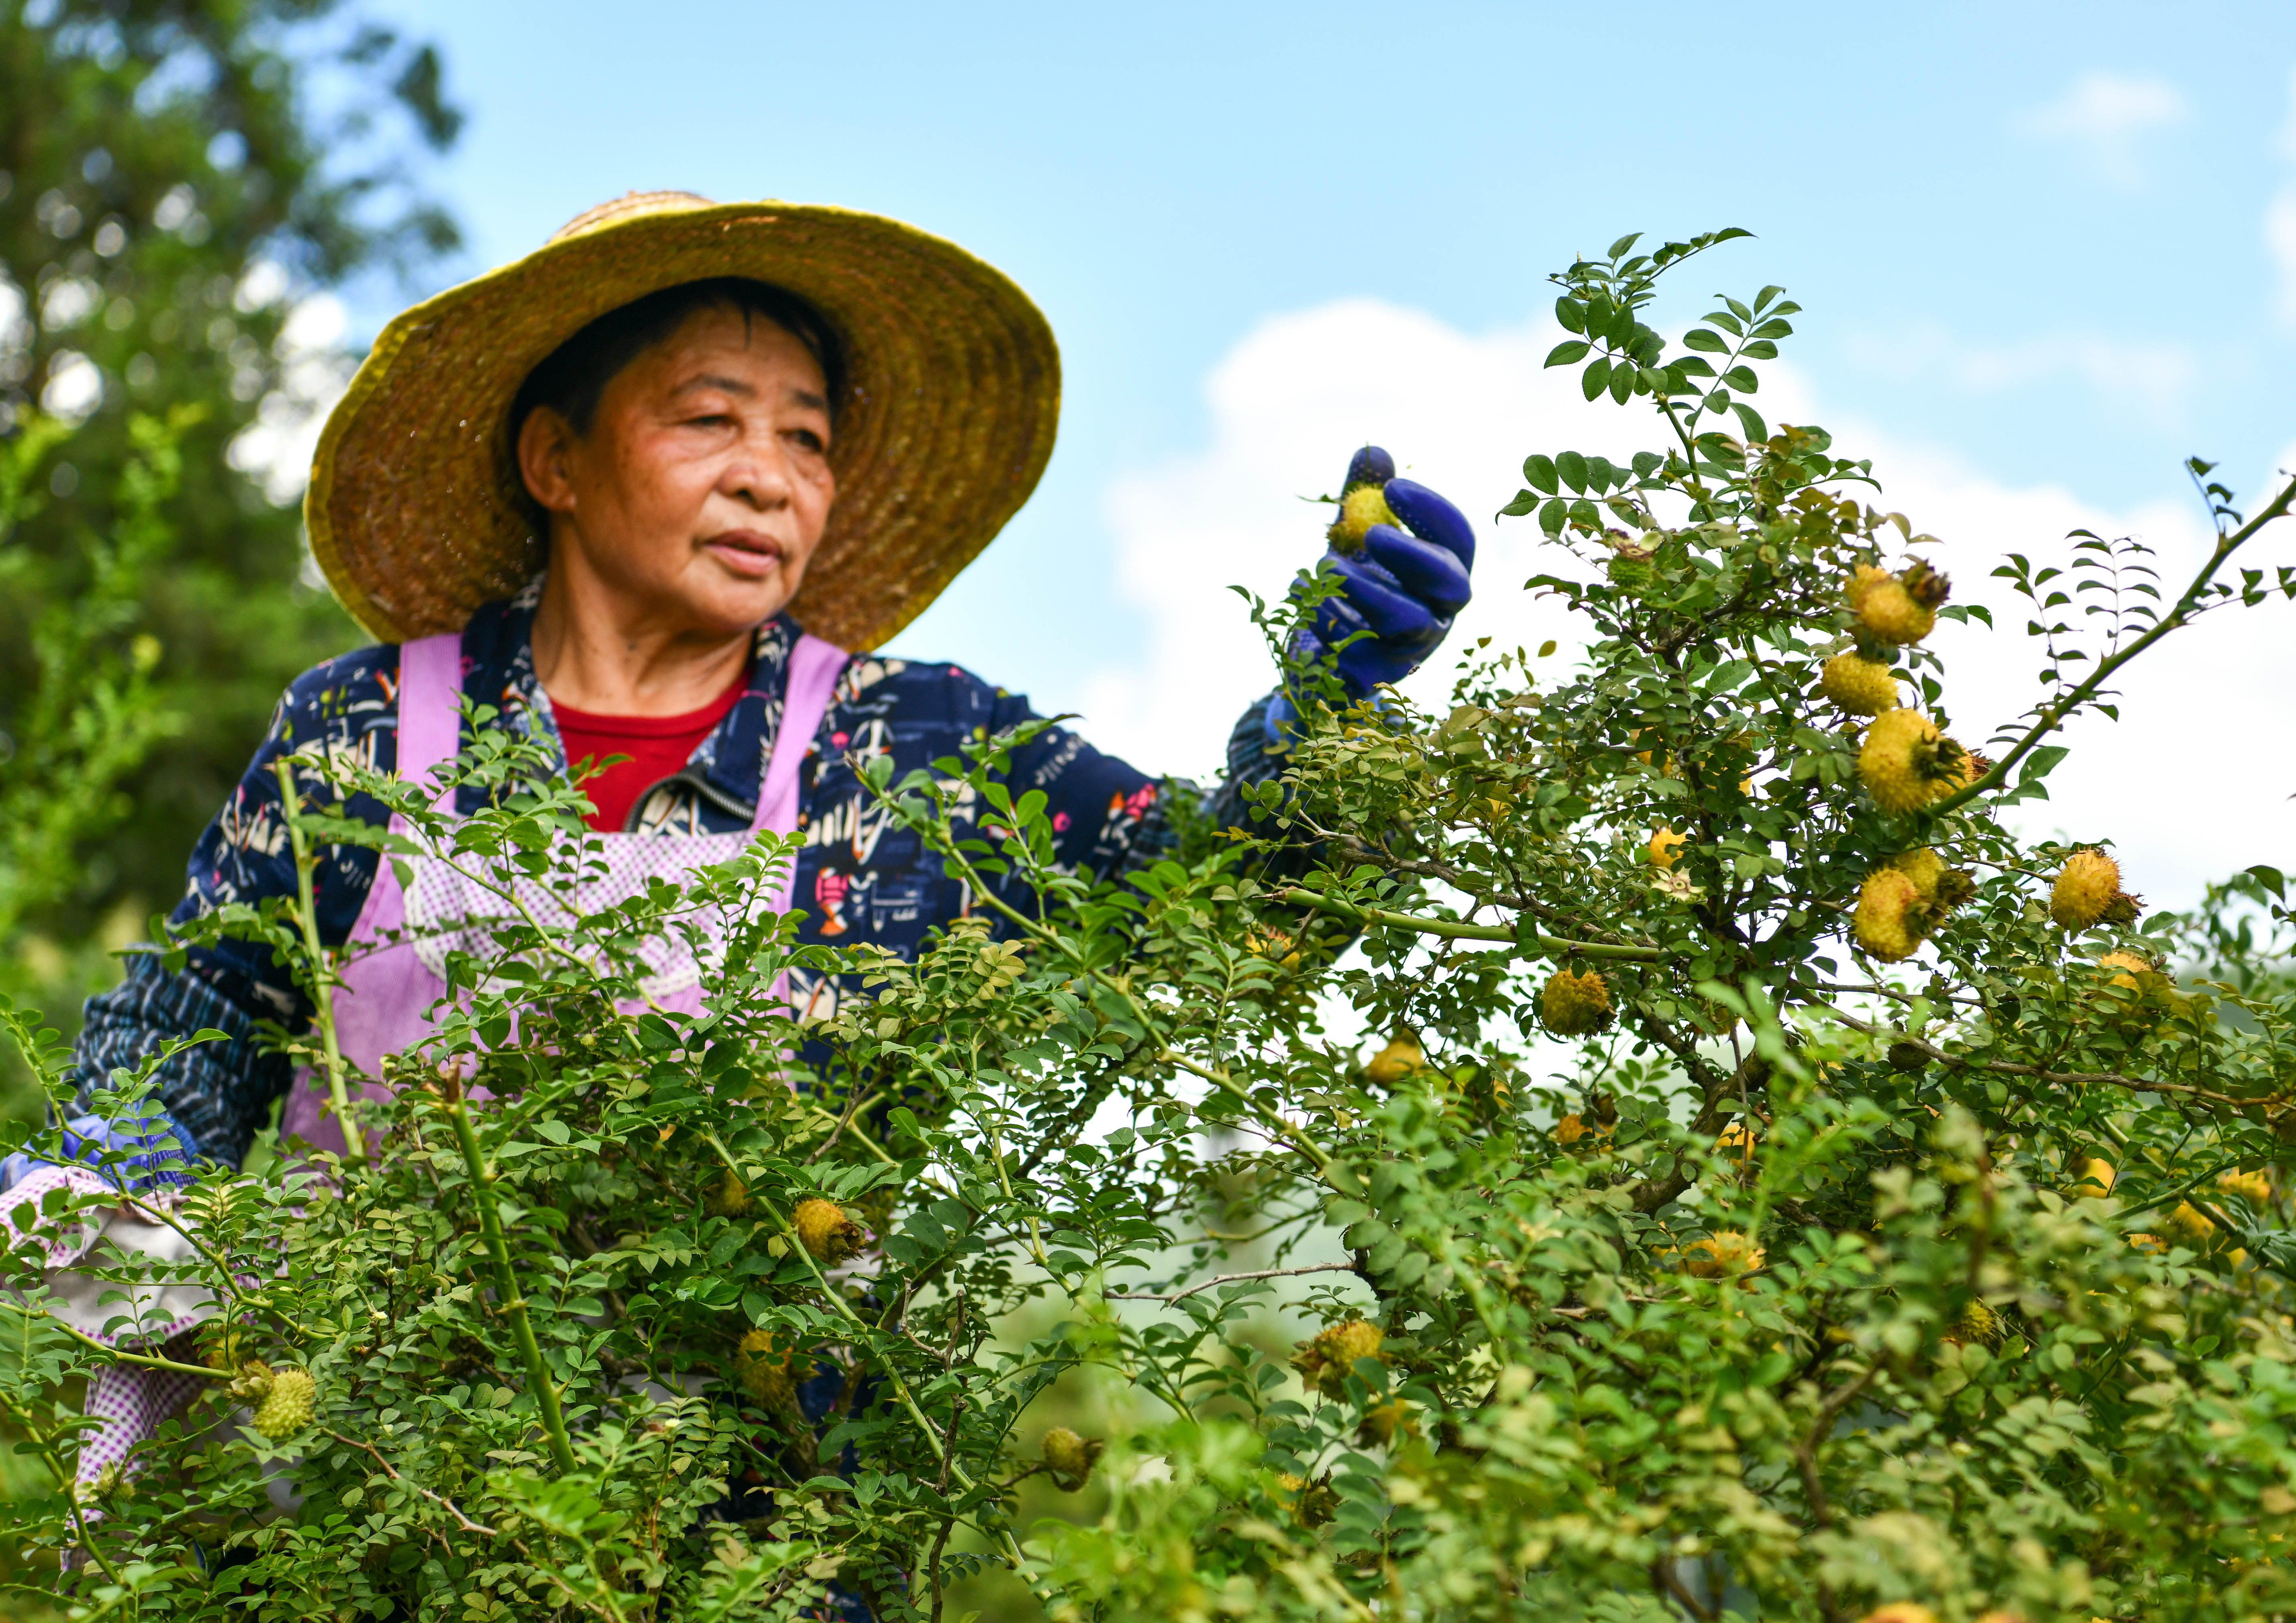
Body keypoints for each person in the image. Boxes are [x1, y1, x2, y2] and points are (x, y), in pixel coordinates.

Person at [15, 190, 1478, 1189]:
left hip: (776, 1557)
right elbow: (187, 1022)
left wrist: (1331, 718)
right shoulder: (365, 732)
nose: (769, 476)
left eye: (808, 439)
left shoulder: (920, 747)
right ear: (557, 462)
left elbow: (1231, 919)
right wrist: (102, 1192)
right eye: (708, 419)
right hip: (377, 1533)